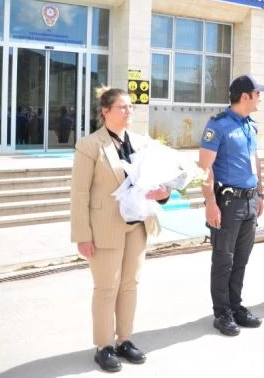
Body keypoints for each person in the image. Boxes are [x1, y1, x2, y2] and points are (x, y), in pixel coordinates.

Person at [70, 88, 169, 372]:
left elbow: (154, 182)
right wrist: (82, 235)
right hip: (104, 227)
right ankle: (104, 346)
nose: (128, 112)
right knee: (106, 287)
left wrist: (163, 193)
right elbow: (79, 194)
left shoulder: (140, 142)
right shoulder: (90, 145)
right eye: (122, 107)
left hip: (137, 225)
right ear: (105, 111)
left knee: (129, 285)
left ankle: (124, 339)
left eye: (130, 107)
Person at [198, 74, 264, 336]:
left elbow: (255, 161)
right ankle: (222, 312)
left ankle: (235, 305)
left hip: (249, 200)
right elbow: (205, 167)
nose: (260, 97)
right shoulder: (218, 126)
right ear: (245, 96)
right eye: (257, 93)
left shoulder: (250, 126)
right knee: (223, 259)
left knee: (241, 259)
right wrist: (210, 202)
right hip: (227, 203)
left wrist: (260, 193)